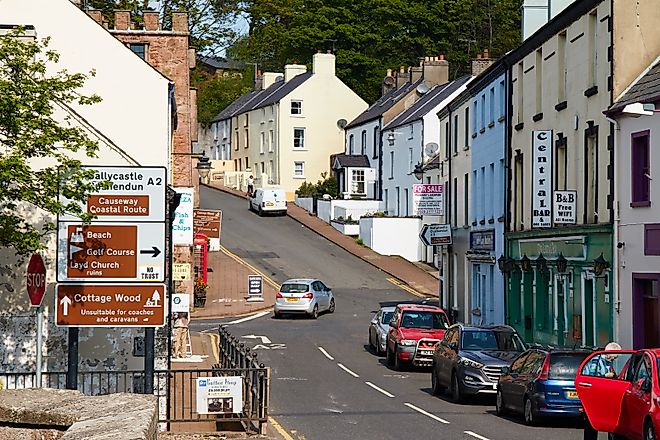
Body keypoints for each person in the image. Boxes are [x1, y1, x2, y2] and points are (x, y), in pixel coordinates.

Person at [583, 341, 622, 440]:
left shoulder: (608, 362)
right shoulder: (596, 361)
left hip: (604, 395)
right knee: (592, 423)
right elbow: (591, 378)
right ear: (609, 353)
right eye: (615, 356)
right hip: (594, 397)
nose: (615, 359)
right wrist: (604, 376)